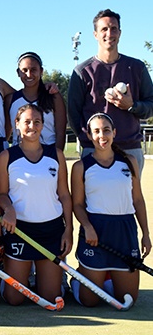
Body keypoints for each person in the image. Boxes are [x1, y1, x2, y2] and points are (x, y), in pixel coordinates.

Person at [71, 112, 151, 306]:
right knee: (89, 301)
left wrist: (146, 234)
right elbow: (78, 205)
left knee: (128, 300)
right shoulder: (81, 166)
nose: (102, 136)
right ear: (89, 136)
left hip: (125, 232)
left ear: (114, 132)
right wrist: (88, 226)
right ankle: (78, 278)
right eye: (96, 131)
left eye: (106, 130)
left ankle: (106, 277)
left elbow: (138, 200)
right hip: (95, 233)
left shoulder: (129, 161)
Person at [0, 104, 73, 306]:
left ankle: (46, 281)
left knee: (50, 296)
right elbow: (2, 194)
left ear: (42, 125)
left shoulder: (56, 155)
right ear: (17, 124)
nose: (32, 126)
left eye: (37, 122)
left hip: (51, 230)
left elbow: (64, 195)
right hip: (20, 230)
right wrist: (9, 209)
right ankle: (12, 280)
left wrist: (69, 230)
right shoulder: (7, 156)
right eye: (27, 122)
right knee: (14, 299)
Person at [68, 9, 153, 173]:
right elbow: (74, 114)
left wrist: (131, 105)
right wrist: (89, 141)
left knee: (128, 198)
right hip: (93, 150)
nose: (109, 33)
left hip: (130, 150)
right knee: (92, 199)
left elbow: (151, 105)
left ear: (120, 33)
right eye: (104, 29)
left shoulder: (137, 67)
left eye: (114, 28)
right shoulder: (82, 72)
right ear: (95, 34)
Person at [6, 52, 66, 149]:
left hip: (48, 154)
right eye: (24, 70)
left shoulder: (53, 97)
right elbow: (6, 132)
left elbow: (60, 132)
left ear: (41, 71)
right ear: (18, 72)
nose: (29, 74)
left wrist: (56, 157)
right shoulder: (11, 99)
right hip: (18, 155)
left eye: (33, 70)